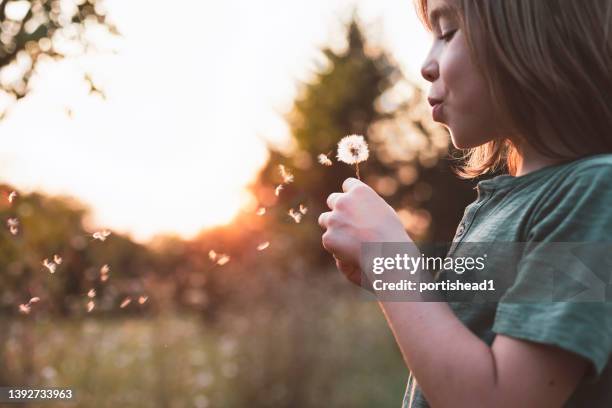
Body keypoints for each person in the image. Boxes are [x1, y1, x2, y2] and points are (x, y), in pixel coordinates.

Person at [317, 0, 612, 406]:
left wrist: (393, 267)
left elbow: (500, 397)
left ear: (534, 34)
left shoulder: (595, 194)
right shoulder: (497, 207)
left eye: (448, 32)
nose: (426, 65)